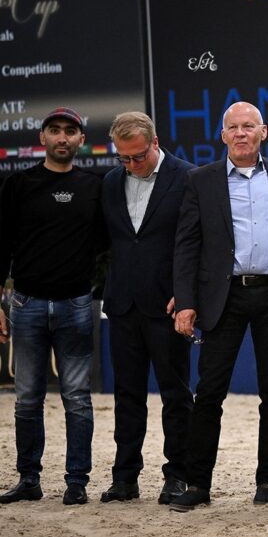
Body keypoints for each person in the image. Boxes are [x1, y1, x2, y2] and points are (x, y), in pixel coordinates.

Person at [169, 101, 268, 512]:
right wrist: (186, 302)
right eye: (233, 127)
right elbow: (187, 245)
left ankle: (267, 483)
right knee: (209, 392)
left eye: (249, 126)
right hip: (221, 297)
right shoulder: (201, 180)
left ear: (264, 132)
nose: (241, 133)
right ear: (222, 135)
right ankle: (197, 484)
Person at [0, 107, 106, 505]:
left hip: (77, 303)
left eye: (70, 131)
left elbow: (104, 241)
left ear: (81, 139)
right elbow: (2, 243)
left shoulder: (96, 186)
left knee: (77, 396)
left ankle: (76, 482)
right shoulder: (18, 185)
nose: (63, 137)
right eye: (55, 130)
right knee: (27, 397)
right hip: (25, 302)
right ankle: (29, 479)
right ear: (42, 137)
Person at [99, 112, 195, 505]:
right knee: (126, 394)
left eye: (138, 156)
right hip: (122, 305)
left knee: (175, 394)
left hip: (168, 304)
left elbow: (193, 242)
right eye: (123, 157)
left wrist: (185, 293)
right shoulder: (109, 182)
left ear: (155, 143)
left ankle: (177, 476)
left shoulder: (187, 177)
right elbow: (110, 242)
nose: (131, 164)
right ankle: (124, 478)